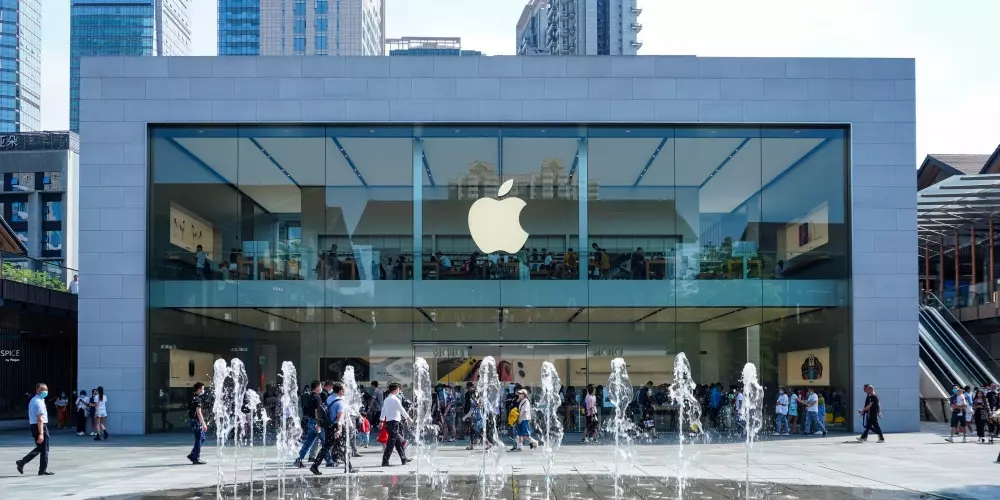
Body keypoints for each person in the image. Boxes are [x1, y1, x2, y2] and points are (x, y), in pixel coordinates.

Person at [311, 382, 356, 475]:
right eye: (344, 389)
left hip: (329, 426)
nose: (345, 391)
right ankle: (348, 467)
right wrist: (339, 430)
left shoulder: (330, 398)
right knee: (342, 446)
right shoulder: (340, 403)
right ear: (340, 391)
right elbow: (340, 418)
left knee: (327, 447)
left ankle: (315, 466)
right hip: (336, 427)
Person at [294, 381, 334, 469]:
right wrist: (318, 423)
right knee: (325, 442)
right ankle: (329, 461)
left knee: (308, 443)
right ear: (316, 387)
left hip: (310, 422)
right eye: (320, 386)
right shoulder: (317, 397)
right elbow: (317, 410)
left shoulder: (308, 396)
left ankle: (299, 459)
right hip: (316, 422)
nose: (321, 388)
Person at [16, 383, 53, 476]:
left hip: (34, 426)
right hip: (40, 426)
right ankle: (42, 469)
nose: (45, 391)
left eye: (46, 389)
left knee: (41, 448)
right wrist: (41, 433)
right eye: (43, 390)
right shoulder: (38, 402)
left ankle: (22, 462)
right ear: (37, 390)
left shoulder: (34, 400)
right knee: (44, 449)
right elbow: (40, 419)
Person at [379, 383, 413, 467]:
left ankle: (403, 458)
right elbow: (401, 410)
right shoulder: (395, 399)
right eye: (398, 389)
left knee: (397, 443)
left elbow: (383, 411)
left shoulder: (387, 399)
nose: (399, 390)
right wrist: (408, 418)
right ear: (394, 390)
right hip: (394, 423)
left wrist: (381, 421)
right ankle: (385, 461)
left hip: (389, 423)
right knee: (391, 443)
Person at [186, 382, 208, 464]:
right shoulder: (198, 399)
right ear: (198, 390)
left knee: (202, 438)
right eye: (202, 389)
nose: (203, 390)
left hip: (192, 420)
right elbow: (199, 413)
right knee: (199, 439)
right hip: (196, 421)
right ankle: (195, 457)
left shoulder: (192, 398)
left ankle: (193, 454)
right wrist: (203, 423)